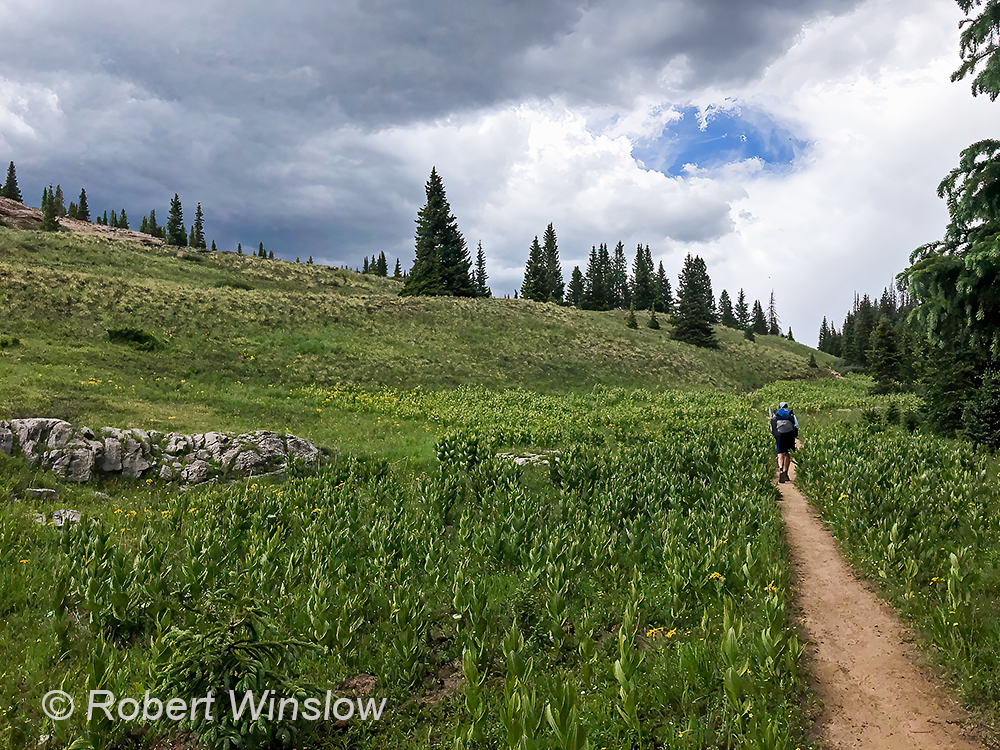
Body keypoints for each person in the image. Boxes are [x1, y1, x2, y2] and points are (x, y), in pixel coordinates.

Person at [770, 401, 798, 483]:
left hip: (780, 435)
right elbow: (796, 425)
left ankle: (781, 468)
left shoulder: (777, 415)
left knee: (780, 452)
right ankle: (786, 472)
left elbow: (772, 427)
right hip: (789, 435)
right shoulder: (791, 414)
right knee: (787, 453)